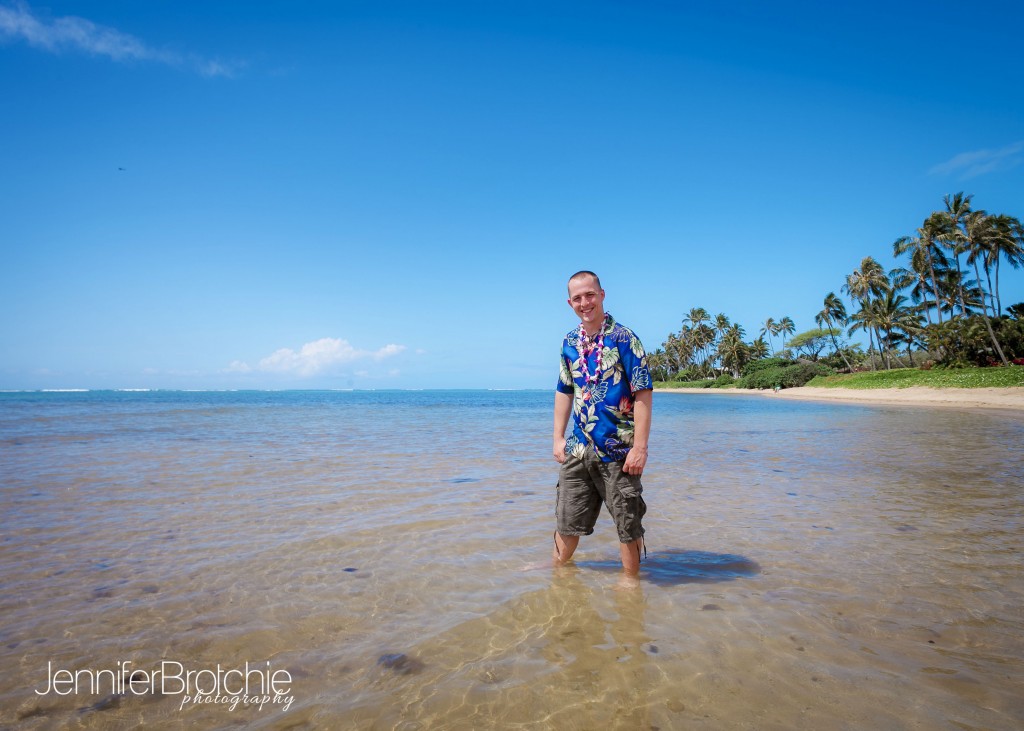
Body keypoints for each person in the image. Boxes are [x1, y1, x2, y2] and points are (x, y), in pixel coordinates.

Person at [552, 270, 653, 575]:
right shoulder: (569, 342)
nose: (585, 303)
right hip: (579, 448)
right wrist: (557, 438)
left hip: (619, 450)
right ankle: (557, 574)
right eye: (578, 298)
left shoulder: (624, 338)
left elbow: (643, 392)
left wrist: (640, 448)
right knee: (566, 519)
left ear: (602, 295)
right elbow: (564, 390)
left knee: (627, 523)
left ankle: (631, 585)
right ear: (570, 303)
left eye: (590, 295)